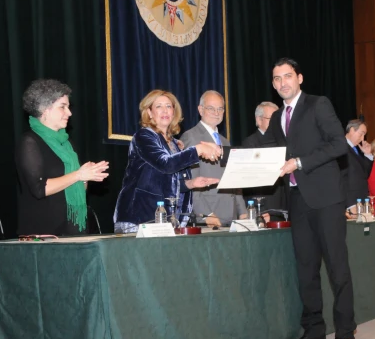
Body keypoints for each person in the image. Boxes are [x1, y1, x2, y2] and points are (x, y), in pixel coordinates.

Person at [263, 57, 357, 339]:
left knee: (337, 267)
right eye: (277, 79)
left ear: (299, 78)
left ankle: (345, 332)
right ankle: (314, 331)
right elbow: (273, 156)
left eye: (287, 76)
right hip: (297, 200)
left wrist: (300, 163)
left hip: (327, 199)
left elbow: (338, 145)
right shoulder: (278, 117)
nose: (282, 83)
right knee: (306, 270)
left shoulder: (318, 104)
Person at [113, 90, 222, 233]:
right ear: (149, 112)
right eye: (159, 106)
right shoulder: (143, 136)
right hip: (139, 218)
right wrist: (198, 149)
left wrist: (190, 184)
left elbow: (165, 181)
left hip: (164, 221)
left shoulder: (173, 144)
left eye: (169, 106)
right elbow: (166, 164)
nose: (165, 110)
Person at [16, 79, 109, 236]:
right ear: (45, 109)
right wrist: (79, 174)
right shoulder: (30, 142)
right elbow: (39, 189)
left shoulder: (66, 144)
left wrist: (87, 176)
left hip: (73, 228)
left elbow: (78, 186)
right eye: (62, 107)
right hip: (44, 232)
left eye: (68, 107)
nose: (69, 113)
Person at [180, 90, 247, 227]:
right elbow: (191, 182)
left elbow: (234, 179)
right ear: (200, 110)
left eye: (220, 109)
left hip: (231, 215)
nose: (216, 113)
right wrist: (206, 214)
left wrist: (243, 211)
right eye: (211, 108)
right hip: (209, 217)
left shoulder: (225, 141)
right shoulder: (191, 137)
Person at [242, 101, 286, 213]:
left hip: (283, 204)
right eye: (271, 118)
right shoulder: (250, 143)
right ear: (259, 120)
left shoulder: (283, 142)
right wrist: (260, 210)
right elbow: (253, 181)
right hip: (263, 206)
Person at [338, 119, 373, 218]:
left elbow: (364, 175)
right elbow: (341, 178)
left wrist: (367, 155)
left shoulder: (356, 150)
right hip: (351, 205)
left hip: (360, 201)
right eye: (361, 134)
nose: (362, 139)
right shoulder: (341, 148)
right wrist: (350, 204)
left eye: (364, 135)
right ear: (352, 130)